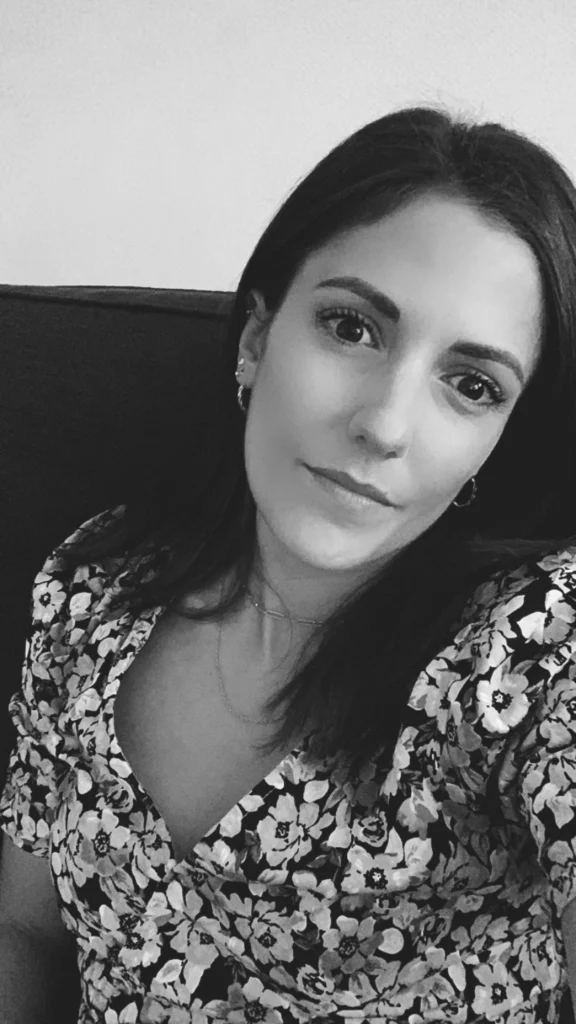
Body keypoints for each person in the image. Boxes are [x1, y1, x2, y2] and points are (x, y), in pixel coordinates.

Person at [1, 103, 576, 1024]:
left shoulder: (530, 653)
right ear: (257, 339)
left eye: (472, 386)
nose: (384, 424)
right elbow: (26, 930)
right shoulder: (90, 588)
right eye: (352, 328)